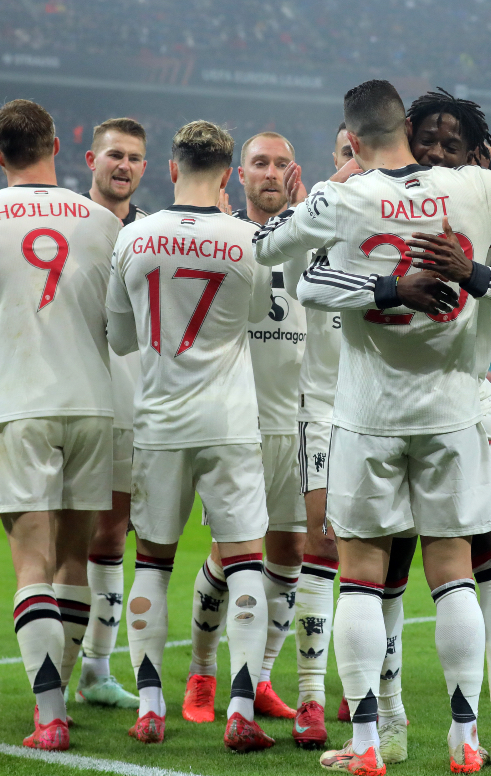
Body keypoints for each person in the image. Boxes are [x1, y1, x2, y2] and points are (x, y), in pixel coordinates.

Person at [255, 79, 491, 776]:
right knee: (452, 570)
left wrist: (374, 270)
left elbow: (273, 250)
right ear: (407, 128)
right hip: (452, 412)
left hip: (368, 415)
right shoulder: (477, 194)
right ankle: (462, 738)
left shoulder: (347, 198)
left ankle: (368, 741)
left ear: (353, 136)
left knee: (363, 576)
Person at [357, 86, 491, 773]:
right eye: (427, 141)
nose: (437, 154)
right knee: (388, 558)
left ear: (476, 155)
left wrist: (472, 269)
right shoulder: (376, 203)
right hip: (379, 413)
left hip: (467, 408)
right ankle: (390, 723)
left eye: (454, 144)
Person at [0, 99, 122, 751]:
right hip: (93, 404)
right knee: (75, 558)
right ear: (55, 142)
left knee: (32, 564)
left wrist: (10, 325)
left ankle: (49, 717)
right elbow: (120, 323)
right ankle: (64, 695)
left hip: (22, 405)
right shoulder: (101, 221)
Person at [107, 120, 275, 753]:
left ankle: (151, 705)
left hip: (159, 421)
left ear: (171, 170)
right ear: (228, 175)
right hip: (230, 421)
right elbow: (257, 318)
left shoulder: (134, 237)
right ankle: (239, 708)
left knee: (153, 560)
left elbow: (120, 338)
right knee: (245, 562)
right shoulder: (249, 239)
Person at [183, 130, 308, 725]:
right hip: (239, 421)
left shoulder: (313, 237)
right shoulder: (228, 239)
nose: (270, 172)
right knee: (232, 557)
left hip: (297, 419)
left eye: (281, 164)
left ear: (294, 174)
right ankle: (204, 672)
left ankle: (258, 677)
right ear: (239, 174)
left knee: (290, 553)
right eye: (259, 162)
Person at [279, 122, 356, 750]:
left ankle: (375, 696)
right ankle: (309, 697)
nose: (356, 163)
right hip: (322, 410)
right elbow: (271, 254)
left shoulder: (404, 218)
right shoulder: (313, 220)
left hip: (387, 413)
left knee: (385, 555)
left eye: (364, 152)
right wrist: (319, 198)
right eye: (345, 154)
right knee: (322, 546)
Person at [70, 117, 151, 710]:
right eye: (114, 156)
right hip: (76, 401)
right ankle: (54, 667)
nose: (123, 166)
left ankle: (96, 671)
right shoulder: (68, 227)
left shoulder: (153, 234)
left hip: (139, 403)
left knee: (115, 535)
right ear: (91, 160)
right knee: (65, 539)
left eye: (134, 159)